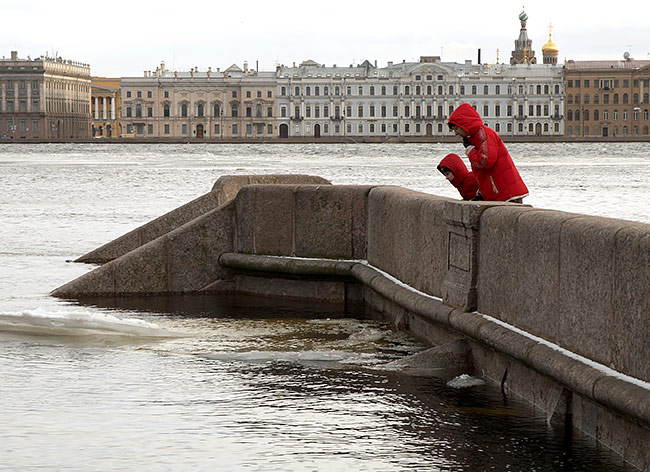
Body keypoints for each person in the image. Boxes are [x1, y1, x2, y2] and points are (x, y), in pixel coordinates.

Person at [448, 103, 528, 203]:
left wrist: (470, 150)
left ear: (464, 125)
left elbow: (485, 162)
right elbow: (483, 173)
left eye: (456, 128)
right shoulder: (475, 137)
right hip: (500, 193)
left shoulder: (484, 134)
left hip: (507, 194)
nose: (455, 133)